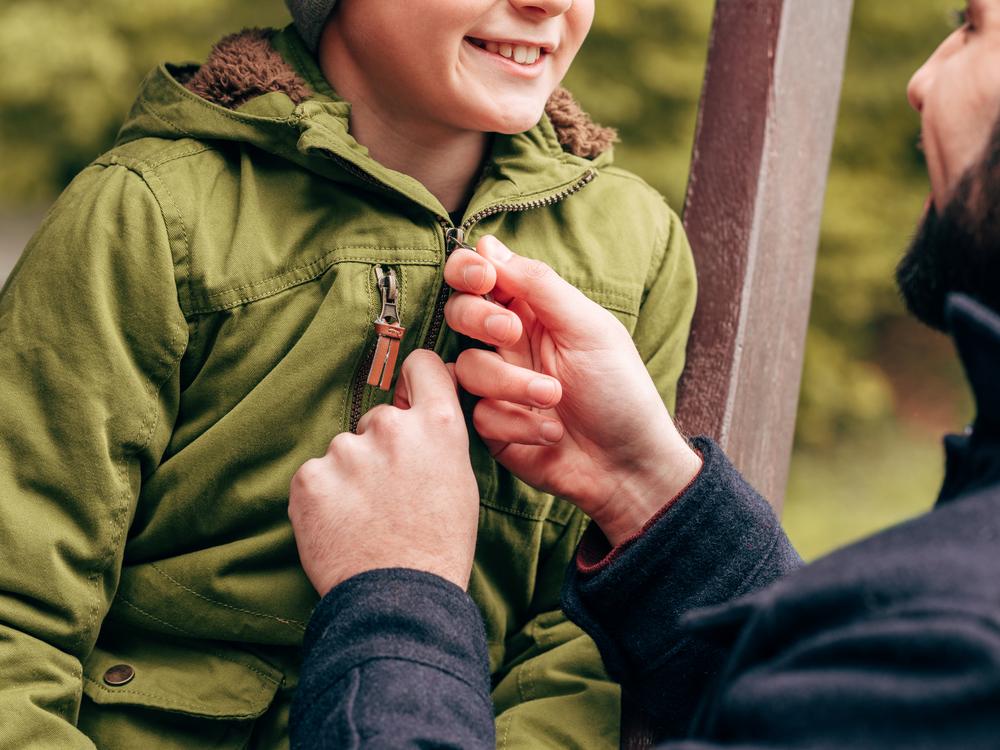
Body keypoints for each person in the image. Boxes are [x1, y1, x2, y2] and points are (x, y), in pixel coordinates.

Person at [287, 1, 1000, 747]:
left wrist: (399, 593)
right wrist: (647, 490)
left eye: (973, 26)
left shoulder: (961, 649)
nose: (922, 79)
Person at [0, 1, 697, 748]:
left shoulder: (636, 249)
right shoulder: (150, 216)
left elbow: (589, 636)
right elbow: (18, 616)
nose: (547, 2)